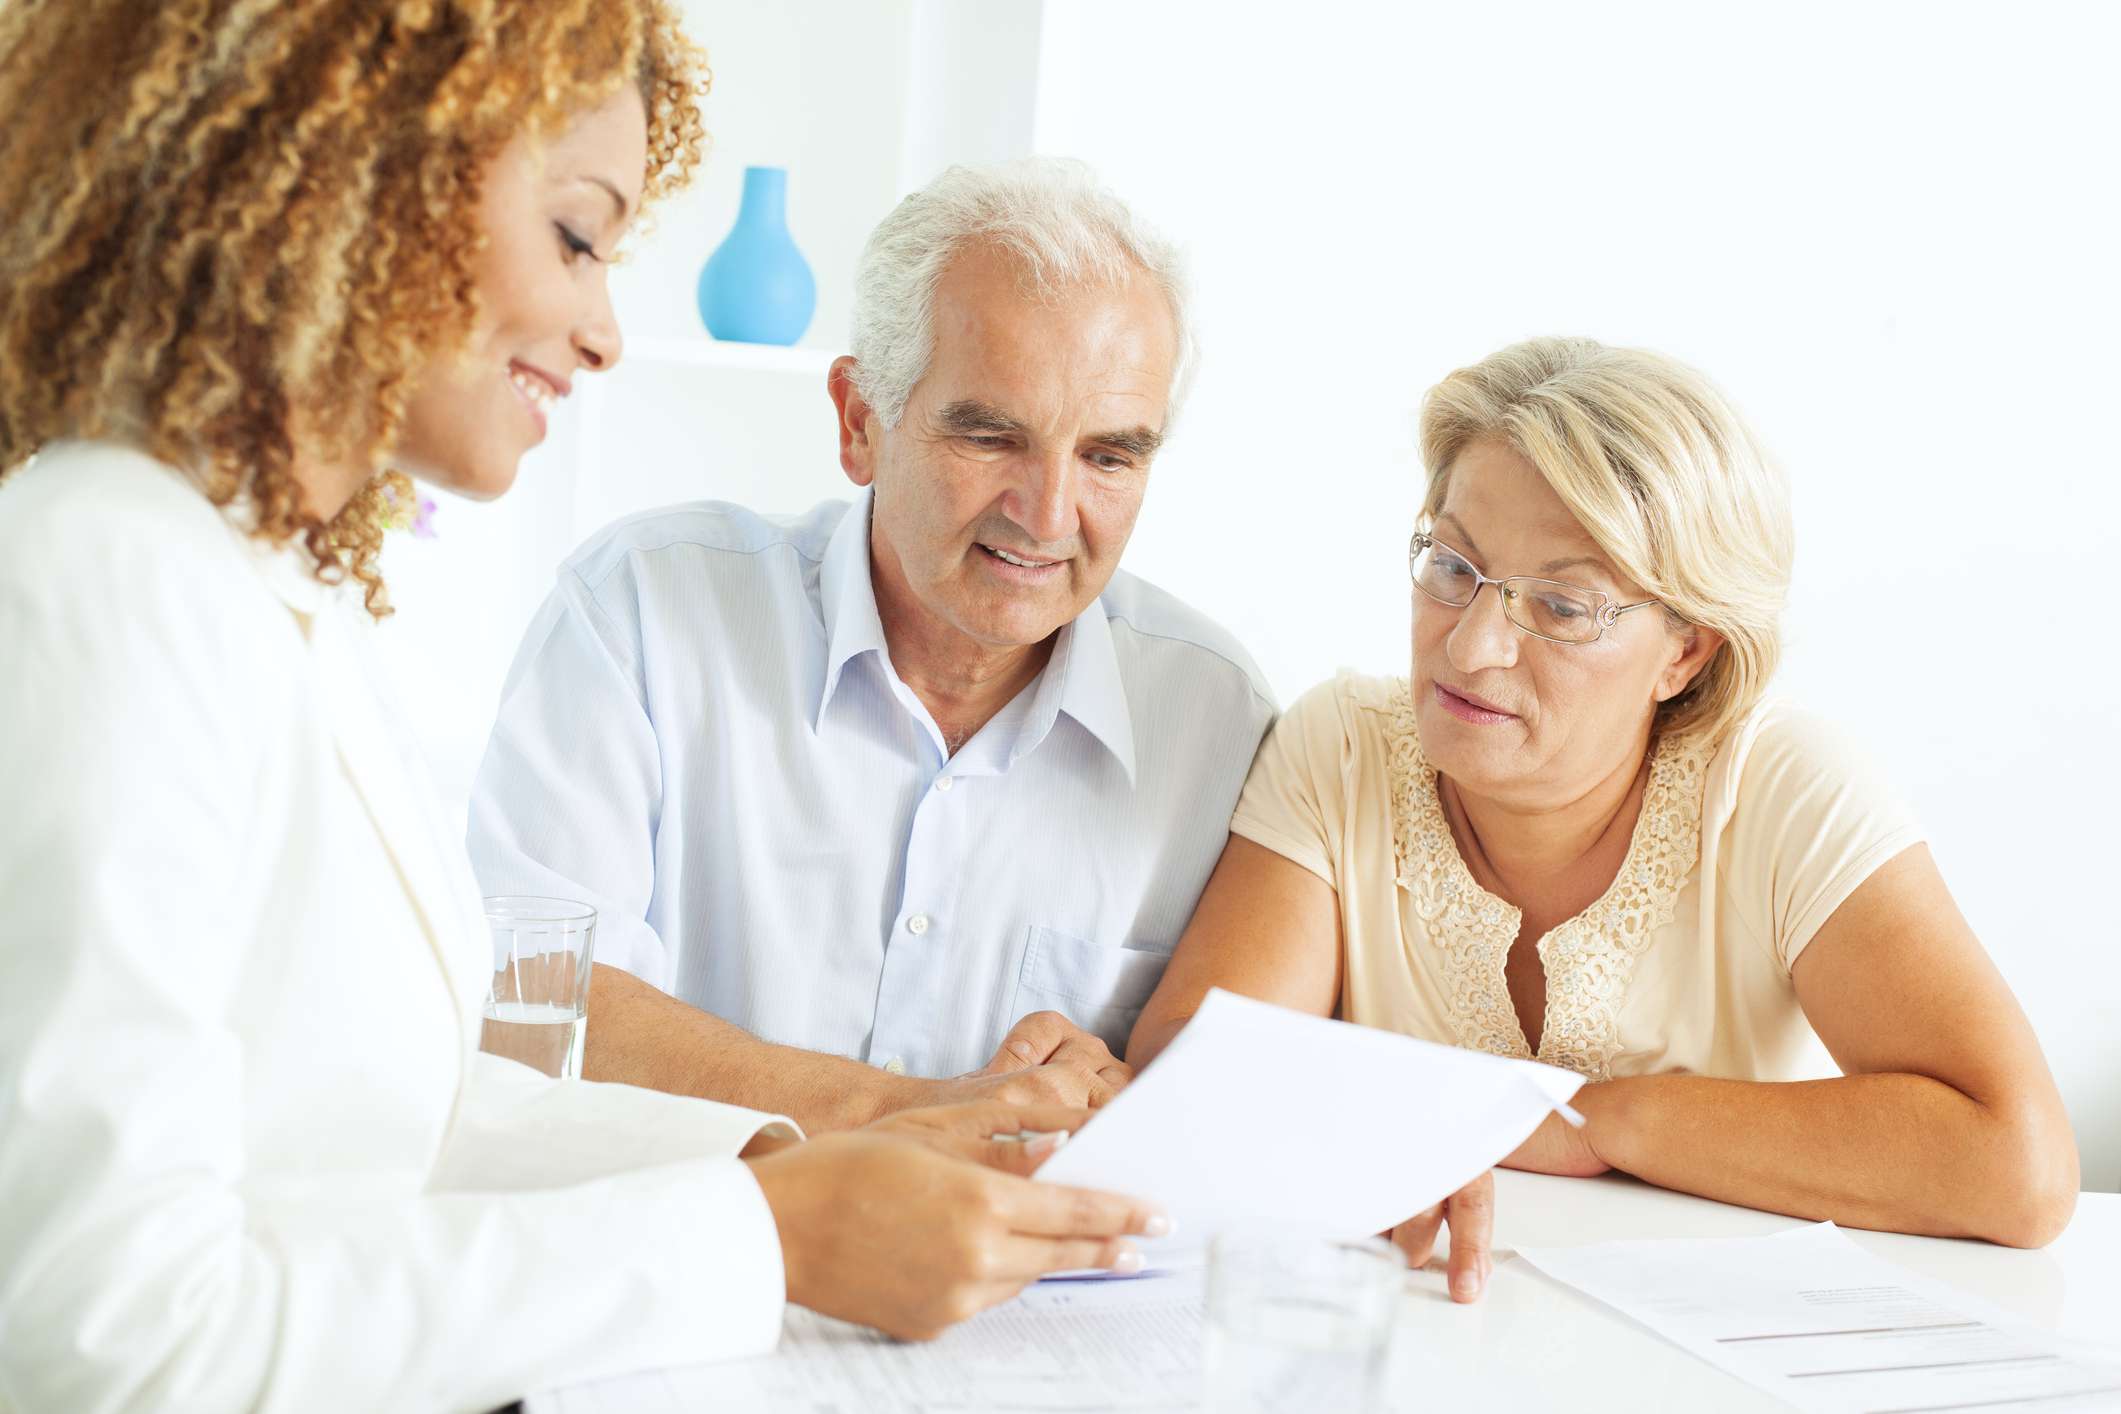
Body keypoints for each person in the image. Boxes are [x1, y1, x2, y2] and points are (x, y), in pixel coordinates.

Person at [0, 6, 1161, 1409]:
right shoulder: (108, 576)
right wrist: (771, 1236)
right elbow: (103, 1341)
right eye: (575, 235)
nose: (605, 330)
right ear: (357, 197)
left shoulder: (261, 591)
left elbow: (411, 1118)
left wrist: (794, 1165)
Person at [1131, 336, 2081, 1301]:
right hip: (1412, 1323)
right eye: (1452, 565)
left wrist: (1591, 1120)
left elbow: (2019, 1166)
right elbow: (1192, 1071)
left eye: (1560, 605)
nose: (1471, 644)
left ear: (1687, 655)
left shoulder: (1780, 785)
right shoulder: (1342, 747)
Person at [465, 158, 1275, 1133]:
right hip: (676, 1263)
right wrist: (910, 1117)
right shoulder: (641, 611)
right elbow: (534, 999)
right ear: (860, 423)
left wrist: (1115, 1091)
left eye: (1108, 456)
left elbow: (1225, 1094)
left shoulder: (1217, 720)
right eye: (989, 438)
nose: (1048, 513)